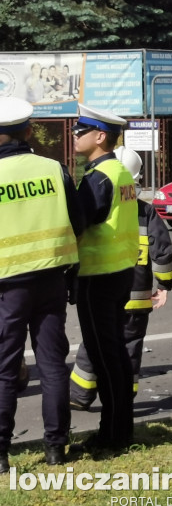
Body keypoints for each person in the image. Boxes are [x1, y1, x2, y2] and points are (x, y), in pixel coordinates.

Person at [0, 98, 83, 472]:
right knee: (52, 365)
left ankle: (0, 455)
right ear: (29, 131)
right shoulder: (54, 169)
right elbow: (77, 222)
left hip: (6, 286)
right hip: (52, 278)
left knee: (4, 369)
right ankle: (55, 448)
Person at [71, 147, 172, 410]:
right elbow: (162, 251)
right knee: (129, 348)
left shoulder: (100, 205)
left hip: (103, 290)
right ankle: (123, 401)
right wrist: (165, 285)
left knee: (93, 344)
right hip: (137, 301)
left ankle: (78, 396)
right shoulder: (146, 212)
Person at [70, 104, 139, 454]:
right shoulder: (121, 172)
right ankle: (119, 430)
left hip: (98, 276)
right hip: (118, 272)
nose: (74, 135)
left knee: (105, 356)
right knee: (114, 355)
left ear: (100, 137)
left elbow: (77, 222)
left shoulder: (99, 177)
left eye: (80, 131)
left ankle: (114, 436)